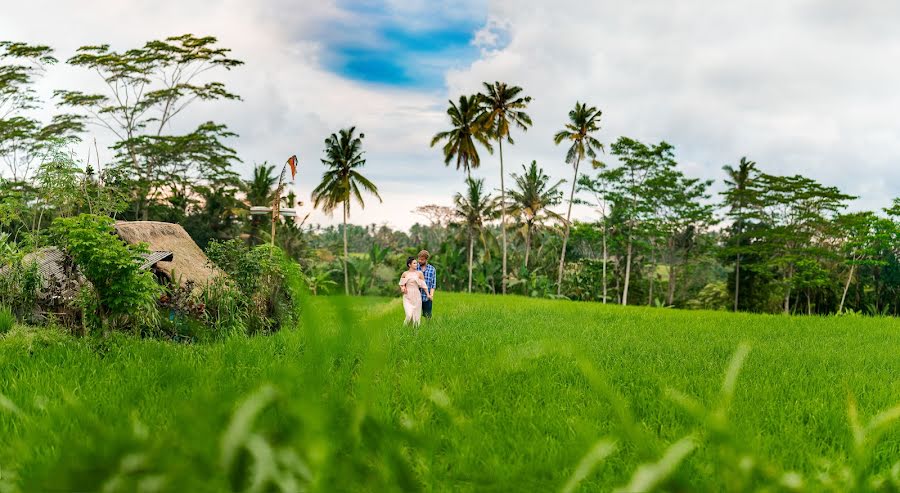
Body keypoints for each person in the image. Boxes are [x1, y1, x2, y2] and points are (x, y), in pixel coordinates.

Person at [399, 256, 429, 326]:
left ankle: (414, 333)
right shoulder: (405, 273)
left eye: (416, 263)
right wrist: (403, 287)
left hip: (417, 296)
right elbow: (401, 283)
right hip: (407, 296)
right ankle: (403, 330)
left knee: (416, 317)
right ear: (409, 265)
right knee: (409, 315)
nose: (417, 264)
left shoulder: (419, 273)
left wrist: (428, 294)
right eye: (414, 263)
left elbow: (424, 285)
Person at [416, 250, 436, 319]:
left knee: (428, 317)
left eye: (422, 259)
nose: (419, 261)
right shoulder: (415, 267)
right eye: (419, 259)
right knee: (415, 316)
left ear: (426, 259)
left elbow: (433, 285)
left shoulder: (432, 269)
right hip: (416, 296)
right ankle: (415, 329)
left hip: (427, 297)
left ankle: (428, 329)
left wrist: (431, 295)